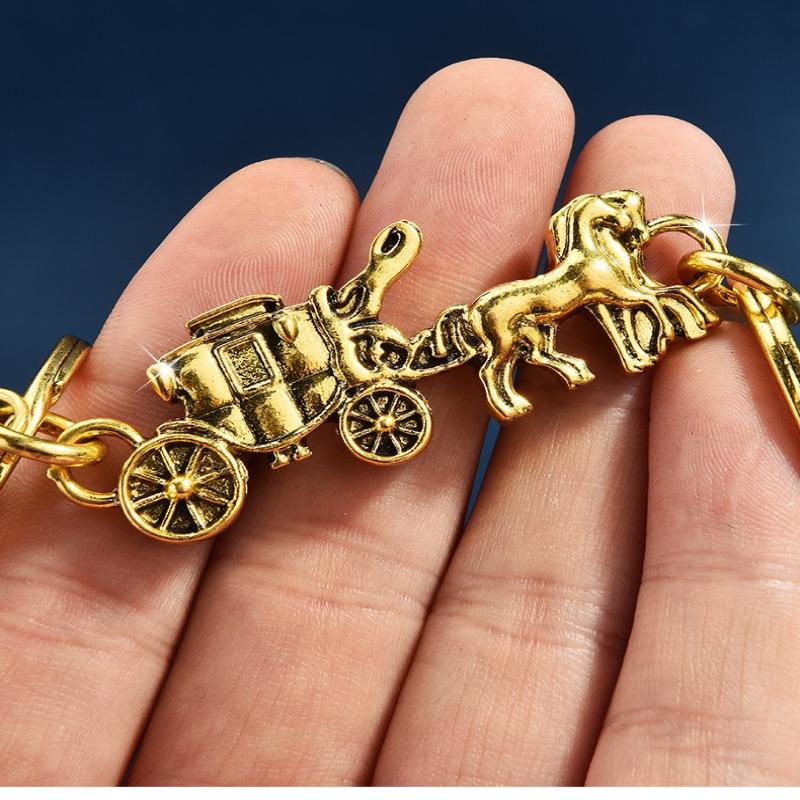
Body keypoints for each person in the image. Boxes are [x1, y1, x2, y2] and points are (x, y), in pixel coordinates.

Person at [1, 58, 795, 787]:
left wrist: (383, 273)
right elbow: (348, 312)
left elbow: (365, 293)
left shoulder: (343, 320)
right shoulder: (290, 357)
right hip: (301, 385)